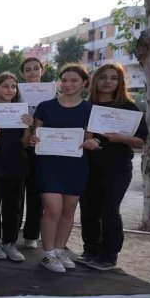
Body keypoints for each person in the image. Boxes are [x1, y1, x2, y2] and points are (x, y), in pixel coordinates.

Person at [31, 64, 99, 273]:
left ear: (84, 83)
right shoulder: (45, 107)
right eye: (65, 80)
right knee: (53, 210)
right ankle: (48, 254)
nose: (68, 84)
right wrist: (34, 139)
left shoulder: (90, 110)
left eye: (74, 80)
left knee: (68, 212)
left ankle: (60, 250)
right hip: (49, 165)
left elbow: (89, 137)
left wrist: (93, 142)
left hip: (75, 166)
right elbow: (35, 134)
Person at [79, 63, 148, 270]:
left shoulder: (129, 108)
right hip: (88, 166)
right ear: (95, 81)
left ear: (120, 82)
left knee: (109, 210)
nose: (107, 81)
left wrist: (122, 138)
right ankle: (90, 249)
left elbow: (141, 140)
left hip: (117, 168)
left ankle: (109, 255)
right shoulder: (86, 106)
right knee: (88, 209)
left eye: (113, 78)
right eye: (103, 77)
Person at [0, 72, 32, 262]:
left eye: (13, 86)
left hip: (16, 163)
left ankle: (10, 243)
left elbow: (25, 144)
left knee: (14, 206)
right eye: (5, 86)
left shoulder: (22, 112)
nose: (10, 90)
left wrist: (28, 127)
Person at [19, 57, 46, 249]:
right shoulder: (15, 93)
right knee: (17, 192)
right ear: (23, 73)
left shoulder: (52, 95)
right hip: (19, 147)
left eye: (36, 68)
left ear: (42, 70)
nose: (32, 72)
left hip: (42, 148)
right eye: (28, 69)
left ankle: (31, 234)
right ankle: (12, 232)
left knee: (36, 193)